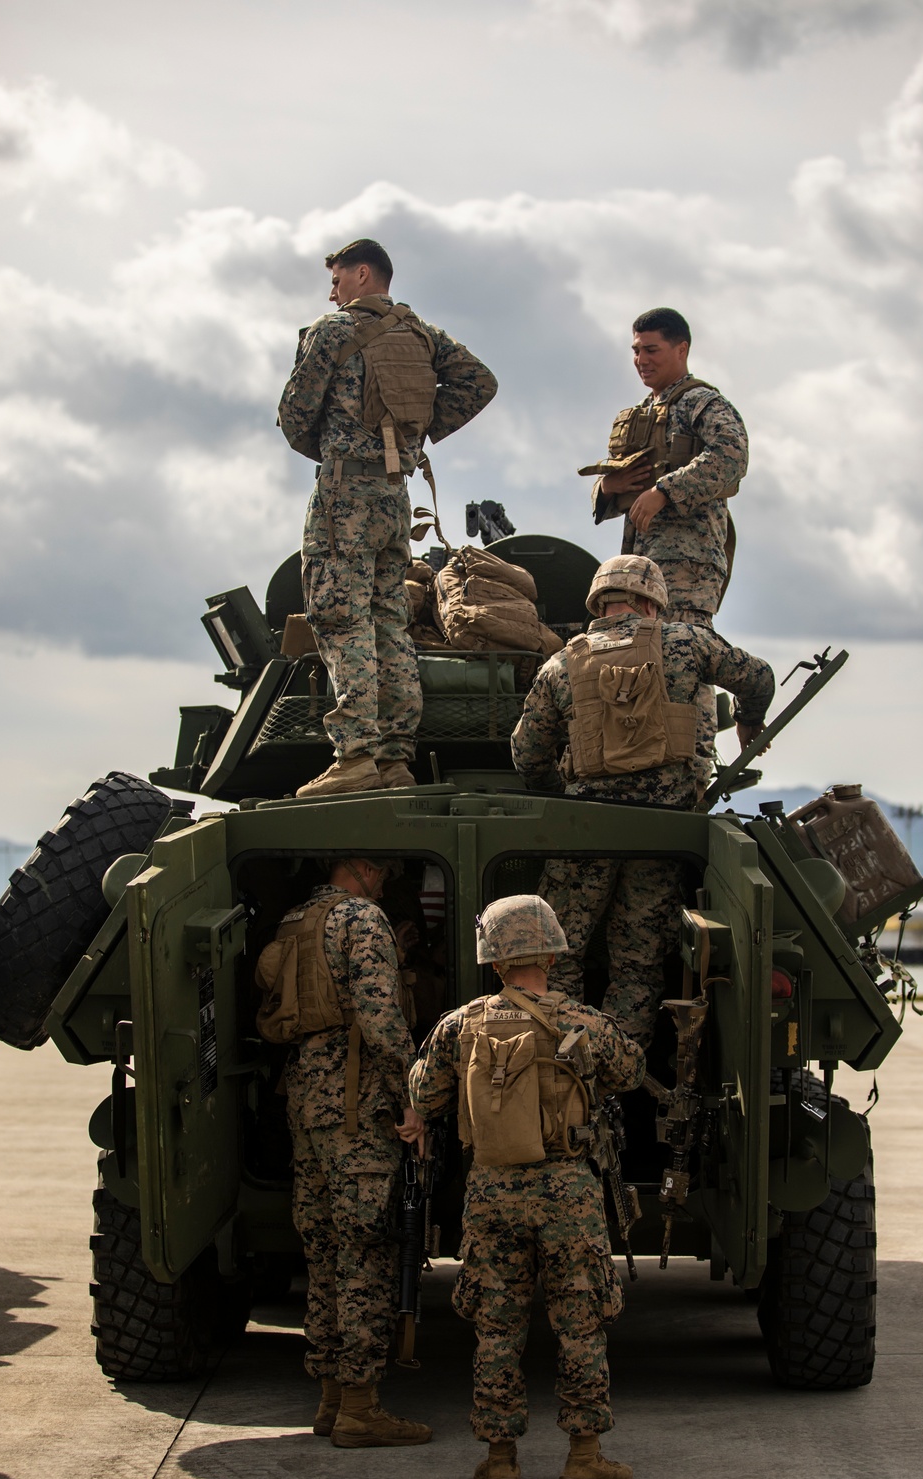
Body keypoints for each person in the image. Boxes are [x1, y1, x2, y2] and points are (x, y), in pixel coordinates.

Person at [410, 895, 645, 1479]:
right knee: (581, 1323)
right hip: (568, 1190)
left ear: (493, 960)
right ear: (550, 951)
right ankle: (585, 1459)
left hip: (491, 1189)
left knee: (496, 1327)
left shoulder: (461, 1024)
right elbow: (632, 1070)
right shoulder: (584, 1023)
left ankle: (501, 1460)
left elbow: (423, 1092)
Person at [510, 555, 774, 1049]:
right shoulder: (687, 642)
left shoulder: (560, 663)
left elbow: (526, 754)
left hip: (584, 834)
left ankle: (564, 1071)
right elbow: (758, 677)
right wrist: (748, 721)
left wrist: (558, 795)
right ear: (650, 601)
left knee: (559, 955)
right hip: (662, 836)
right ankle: (614, 1073)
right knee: (637, 964)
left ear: (600, 601)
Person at [278, 238, 498, 798]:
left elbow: (294, 413)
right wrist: (409, 441)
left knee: (340, 618)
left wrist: (340, 449)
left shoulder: (332, 332)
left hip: (344, 494)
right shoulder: (423, 334)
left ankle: (354, 757)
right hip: (396, 498)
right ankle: (396, 758)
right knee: (388, 619)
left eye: (336, 280)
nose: (331, 293)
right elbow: (479, 383)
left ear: (361, 274)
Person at [254, 852, 431, 1447]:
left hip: (306, 1100)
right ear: (363, 868)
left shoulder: (297, 917)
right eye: (382, 872)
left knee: (324, 1251)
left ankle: (331, 1396)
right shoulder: (362, 917)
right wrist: (414, 1094)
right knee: (365, 1252)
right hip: (356, 1106)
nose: (385, 883)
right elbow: (379, 1016)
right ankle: (361, 1406)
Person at [582, 308, 749, 791]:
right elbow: (617, 485)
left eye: (651, 349)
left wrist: (667, 490)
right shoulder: (641, 414)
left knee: (685, 656)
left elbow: (731, 458)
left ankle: (695, 766)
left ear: (682, 349)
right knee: (639, 656)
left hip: (688, 563)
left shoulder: (703, 404)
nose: (640, 359)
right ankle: (647, 766)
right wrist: (609, 487)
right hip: (641, 565)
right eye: (635, 350)